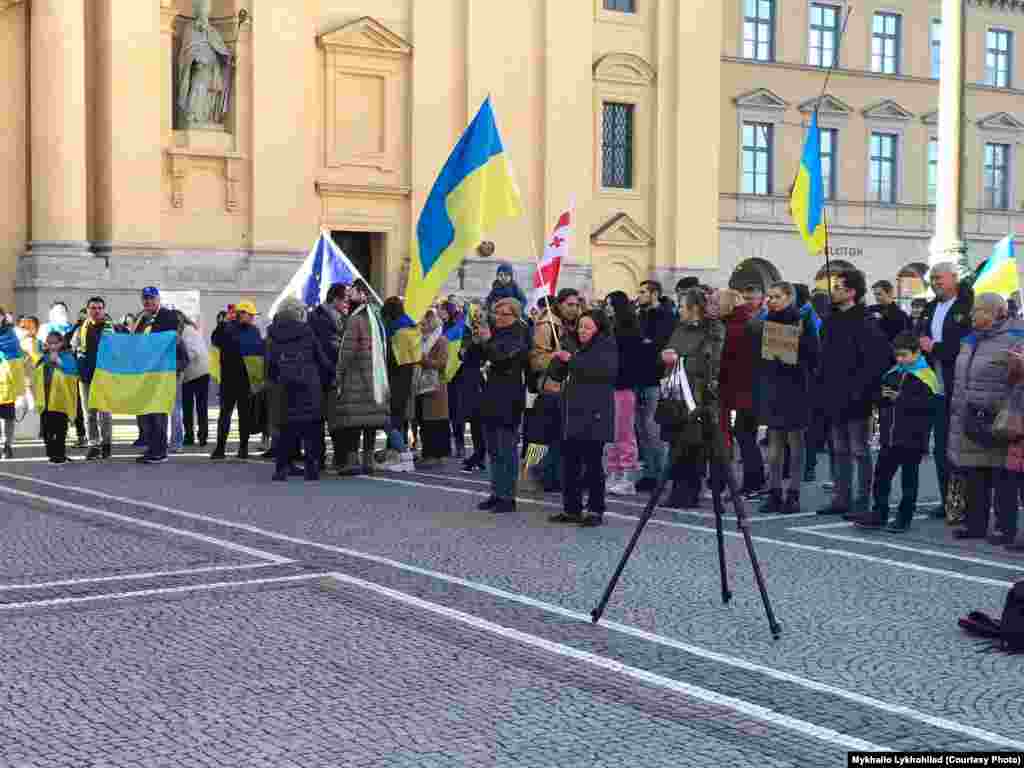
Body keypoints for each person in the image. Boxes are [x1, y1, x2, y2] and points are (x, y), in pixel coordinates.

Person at [816, 269, 891, 519]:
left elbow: (876, 361)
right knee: (839, 449)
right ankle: (841, 497)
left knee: (859, 450)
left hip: (857, 396)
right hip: (832, 394)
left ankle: (862, 499)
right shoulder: (829, 320)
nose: (833, 291)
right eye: (834, 287)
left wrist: (862, 391)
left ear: (851, 292)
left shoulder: (866, 321)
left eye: (838, 287)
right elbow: (823, 358)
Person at [947, 293, 1019, 540]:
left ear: (994, 313)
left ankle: (1004, 527)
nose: (971, 315)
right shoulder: (969, 340)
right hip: (969, 415)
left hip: (996, 417)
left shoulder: (1014, 338)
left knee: (1002, 476)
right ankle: (974, 524)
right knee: (974, 473)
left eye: (977, 310)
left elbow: (1016, 379)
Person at [857, 332, 938, 532]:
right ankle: (879, 513)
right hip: (889, 437)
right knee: (881, 477)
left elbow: (929, 407)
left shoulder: (926, 377)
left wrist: (900, 398)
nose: (900, 359)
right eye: (897, 355)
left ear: (917, 353)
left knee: (908, 481)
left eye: (904, 355)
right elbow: (879, 398)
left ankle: (904, 517)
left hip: (912, 438)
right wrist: (881, 397)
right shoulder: (892, 372)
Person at [546, 310, 618, 526]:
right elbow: (557, 374)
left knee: (593, 464)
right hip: (572, 411)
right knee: (570, 463)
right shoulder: (572, 343)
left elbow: (602, 371)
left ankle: (596, 510)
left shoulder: (606, 345)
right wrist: (559, 359)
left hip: (594, 412)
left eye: (587, 327)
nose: (582, 331)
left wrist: (573, 359)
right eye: (580, 326)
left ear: (598, 328)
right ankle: (571, 508)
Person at [753, 282, 819, 515]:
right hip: (773, 385)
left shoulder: (801, 319)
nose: (771, 300)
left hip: (796, 386)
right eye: (769, 296)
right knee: (774, 444)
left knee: (796, 442)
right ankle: (774, 492)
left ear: (789, 297)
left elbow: (813, 355)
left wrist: (796, 342)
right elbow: (758, 353)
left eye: (777, 296)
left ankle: (793, 493)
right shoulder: (766, 320)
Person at [917, 262, 974, 518]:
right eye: (932, 279)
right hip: (936, 388)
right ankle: (947, 501)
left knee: (962, 450)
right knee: (940, 449)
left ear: (954, 278)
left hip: (960, 388)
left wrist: (935, 348)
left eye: (939, 278)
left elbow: (964, 347)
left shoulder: (966, 307)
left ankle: (967, 503)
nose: (935, 282)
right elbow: (921, 337)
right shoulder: (930, 307)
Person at [660, 289, 724, 509]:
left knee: (694, 446)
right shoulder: (679, 329)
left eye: (682, 306)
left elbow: (711, 362)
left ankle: (691, 491)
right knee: (675, 443)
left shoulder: (713, 330)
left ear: (695, 308)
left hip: (696, 395)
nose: (679, 310)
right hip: (675, 393)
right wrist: (666, 358)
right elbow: (670, 350)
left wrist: (680, 360)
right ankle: (677, 490)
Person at [266, 297, 333, 481]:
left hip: (284, 386)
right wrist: (331, 373)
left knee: (286, 428)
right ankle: (311, 469)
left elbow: (270, 362)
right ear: (298, 313)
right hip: (308, 385)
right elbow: (320, 358)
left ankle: (281, 469)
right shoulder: (307, 331)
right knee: (311, 427)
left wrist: (273, 380)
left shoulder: (272, 333)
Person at [476, 297, 529, 513]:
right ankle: (496, 492)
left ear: (515, 316)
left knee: (506, 448)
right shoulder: (497, 333)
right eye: (497, 314)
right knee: (493, 448)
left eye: (504, 314)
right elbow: (482, 357)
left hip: (509, 398)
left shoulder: (520, 334)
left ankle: (508, 497)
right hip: (491, 395)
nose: (498, 318)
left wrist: (487, 342)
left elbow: (502, 358)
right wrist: (478, 343)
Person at [333, 280, 389, 475]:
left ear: (363, 294)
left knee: (354, 422)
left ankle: (352, 461)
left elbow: (347, 351)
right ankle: (369, 461)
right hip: (375, 376)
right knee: (370, 422)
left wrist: (339, 372)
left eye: (353, 292)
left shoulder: (355, 320)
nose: (348, 296)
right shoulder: (376, 316)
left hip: (356, 377)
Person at [528, 288, 581, 491]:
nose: (574, 309)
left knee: (561, 437)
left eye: (576, 305)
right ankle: (530, 474)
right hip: (550, 388)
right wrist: (556, 357)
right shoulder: (547, 325)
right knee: (540, 437)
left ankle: (554, 477)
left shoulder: (574, 325)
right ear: (559, 304)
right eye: (570, 304)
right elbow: (536, 359)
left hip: (568, 389)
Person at [717, 288, 763, 497]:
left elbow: (725, 363)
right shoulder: (748, 322)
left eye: (716, 304)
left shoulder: (732, 328)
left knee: (743, 437)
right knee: (747, 438)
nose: (714, 308)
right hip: (749, 389)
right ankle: (755, 480)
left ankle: (752, 482)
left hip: (739, 391)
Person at [210, 299, 263, 461]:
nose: (253, 318)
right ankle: (235, 448)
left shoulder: (235, 329)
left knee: (234, 415)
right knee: (235, 415)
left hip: (238, 380)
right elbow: (215, 341)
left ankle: (231, 449)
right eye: (251, 315)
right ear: (242, 314)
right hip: (237, 380)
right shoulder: (242, 330)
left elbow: (215, 340)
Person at [133, 287, 182, 463]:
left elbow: (172, 339)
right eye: (145, 299)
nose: (148, 302)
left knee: (159, 410)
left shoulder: (168, 316)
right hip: (146, 371)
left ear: (158, 299)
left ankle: (160, 451)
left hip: (164, 371)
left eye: (151, 298)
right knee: (148, 410)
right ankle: (152, 448)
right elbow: (135, 340)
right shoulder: (142, 318)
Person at [635, 280, 675, 492]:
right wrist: (644, 343)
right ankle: (649, 472)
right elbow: (639, 342)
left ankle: (660, 473)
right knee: (641, 429)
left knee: (653, 428)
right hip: (639, 377)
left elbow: (659, 344)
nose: (639, 296)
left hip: (656, 379)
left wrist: (647, 344)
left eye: (643, 292)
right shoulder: (640, 315)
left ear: (655, 294)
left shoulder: (666, 315)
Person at [605, 291, 643, 496]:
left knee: (624, 433)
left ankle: (628, 476)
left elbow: (629, 359)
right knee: (611, 433)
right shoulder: (611, 327)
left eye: (610, 304)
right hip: (611, 385)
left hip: (624, 386)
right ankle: (614, 472)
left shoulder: (628, 330)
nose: (607, 307)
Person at [308, 282, 349, 468]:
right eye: (345, 300)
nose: (347, 304)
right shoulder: (319, 318)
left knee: (333, 420)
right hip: (323, 376)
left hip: (330, 375)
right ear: (335, 299)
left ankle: (329, 458)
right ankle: (322, 458)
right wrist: (334, 370)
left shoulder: (339, 317)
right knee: (325, 420)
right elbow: (325, 349)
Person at [71, 296, 115, 460]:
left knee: (104, 412)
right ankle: (93, 445)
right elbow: (73, 348)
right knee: (89, 412)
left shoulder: (111, 328)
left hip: (104, 376)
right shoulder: (80, 328)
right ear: (87, 310)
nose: (96, 311)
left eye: (99, 308)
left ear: (104, 310)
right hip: (85, 376)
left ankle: (106, 445)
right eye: (93, 308)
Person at [380, 296, 418, 469]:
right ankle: (398, 455)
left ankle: (402, 456)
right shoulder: (410, 326)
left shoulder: (398, 330)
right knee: (399, 417)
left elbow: (393, 358)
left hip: (395, 378)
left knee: (392, 418)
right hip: (407, 376)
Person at [414, 309, 451, 469]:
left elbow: (442, 363)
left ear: (431, 324)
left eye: (424, 323)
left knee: (436, 424)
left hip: (436, 388)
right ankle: (428, 454)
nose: (421, 326)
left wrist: (425, 360)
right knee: (426, 423)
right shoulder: (423, 340)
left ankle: (436, 455)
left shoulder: (441, 340)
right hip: (423, 386)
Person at [35, 331, 79, 464]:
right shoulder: (43, 357)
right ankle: (51, 453)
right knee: (47, 429)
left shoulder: (67, 356)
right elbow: (37, 374)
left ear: (61, 343)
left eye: (55, 343)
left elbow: (73, 375)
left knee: (60, 429)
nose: (52, 346)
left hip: (61, 400)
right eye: (50, 343)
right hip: (46, 399)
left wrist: (60, 363)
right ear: (46, 344)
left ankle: (60, 454)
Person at [458, 303, 488, 472]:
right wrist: (463, 351)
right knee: (474, 421)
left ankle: (479, 455)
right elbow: (462, 354)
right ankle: (478, 455)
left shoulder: (486, 332)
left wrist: (479, 341)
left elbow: (487, 353)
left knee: (481, 420)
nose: (476, 317)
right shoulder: (468, 332)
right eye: (474, 314)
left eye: (479, 314)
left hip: (482, 380)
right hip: (469, 379)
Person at [181, 313, 211, 447]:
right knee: (200, 406)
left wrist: (179, 364)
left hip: (195, 373)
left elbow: (193, 352)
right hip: (201, 372)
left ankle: (190, 436)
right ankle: (201, 436)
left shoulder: (186, 332)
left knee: (189, 406)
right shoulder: (190, 330)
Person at [0, 312, 25, 459]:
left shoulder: (11, 335)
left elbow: (17, 357)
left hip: (6, 381)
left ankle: (7, 445)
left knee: (8, 417)